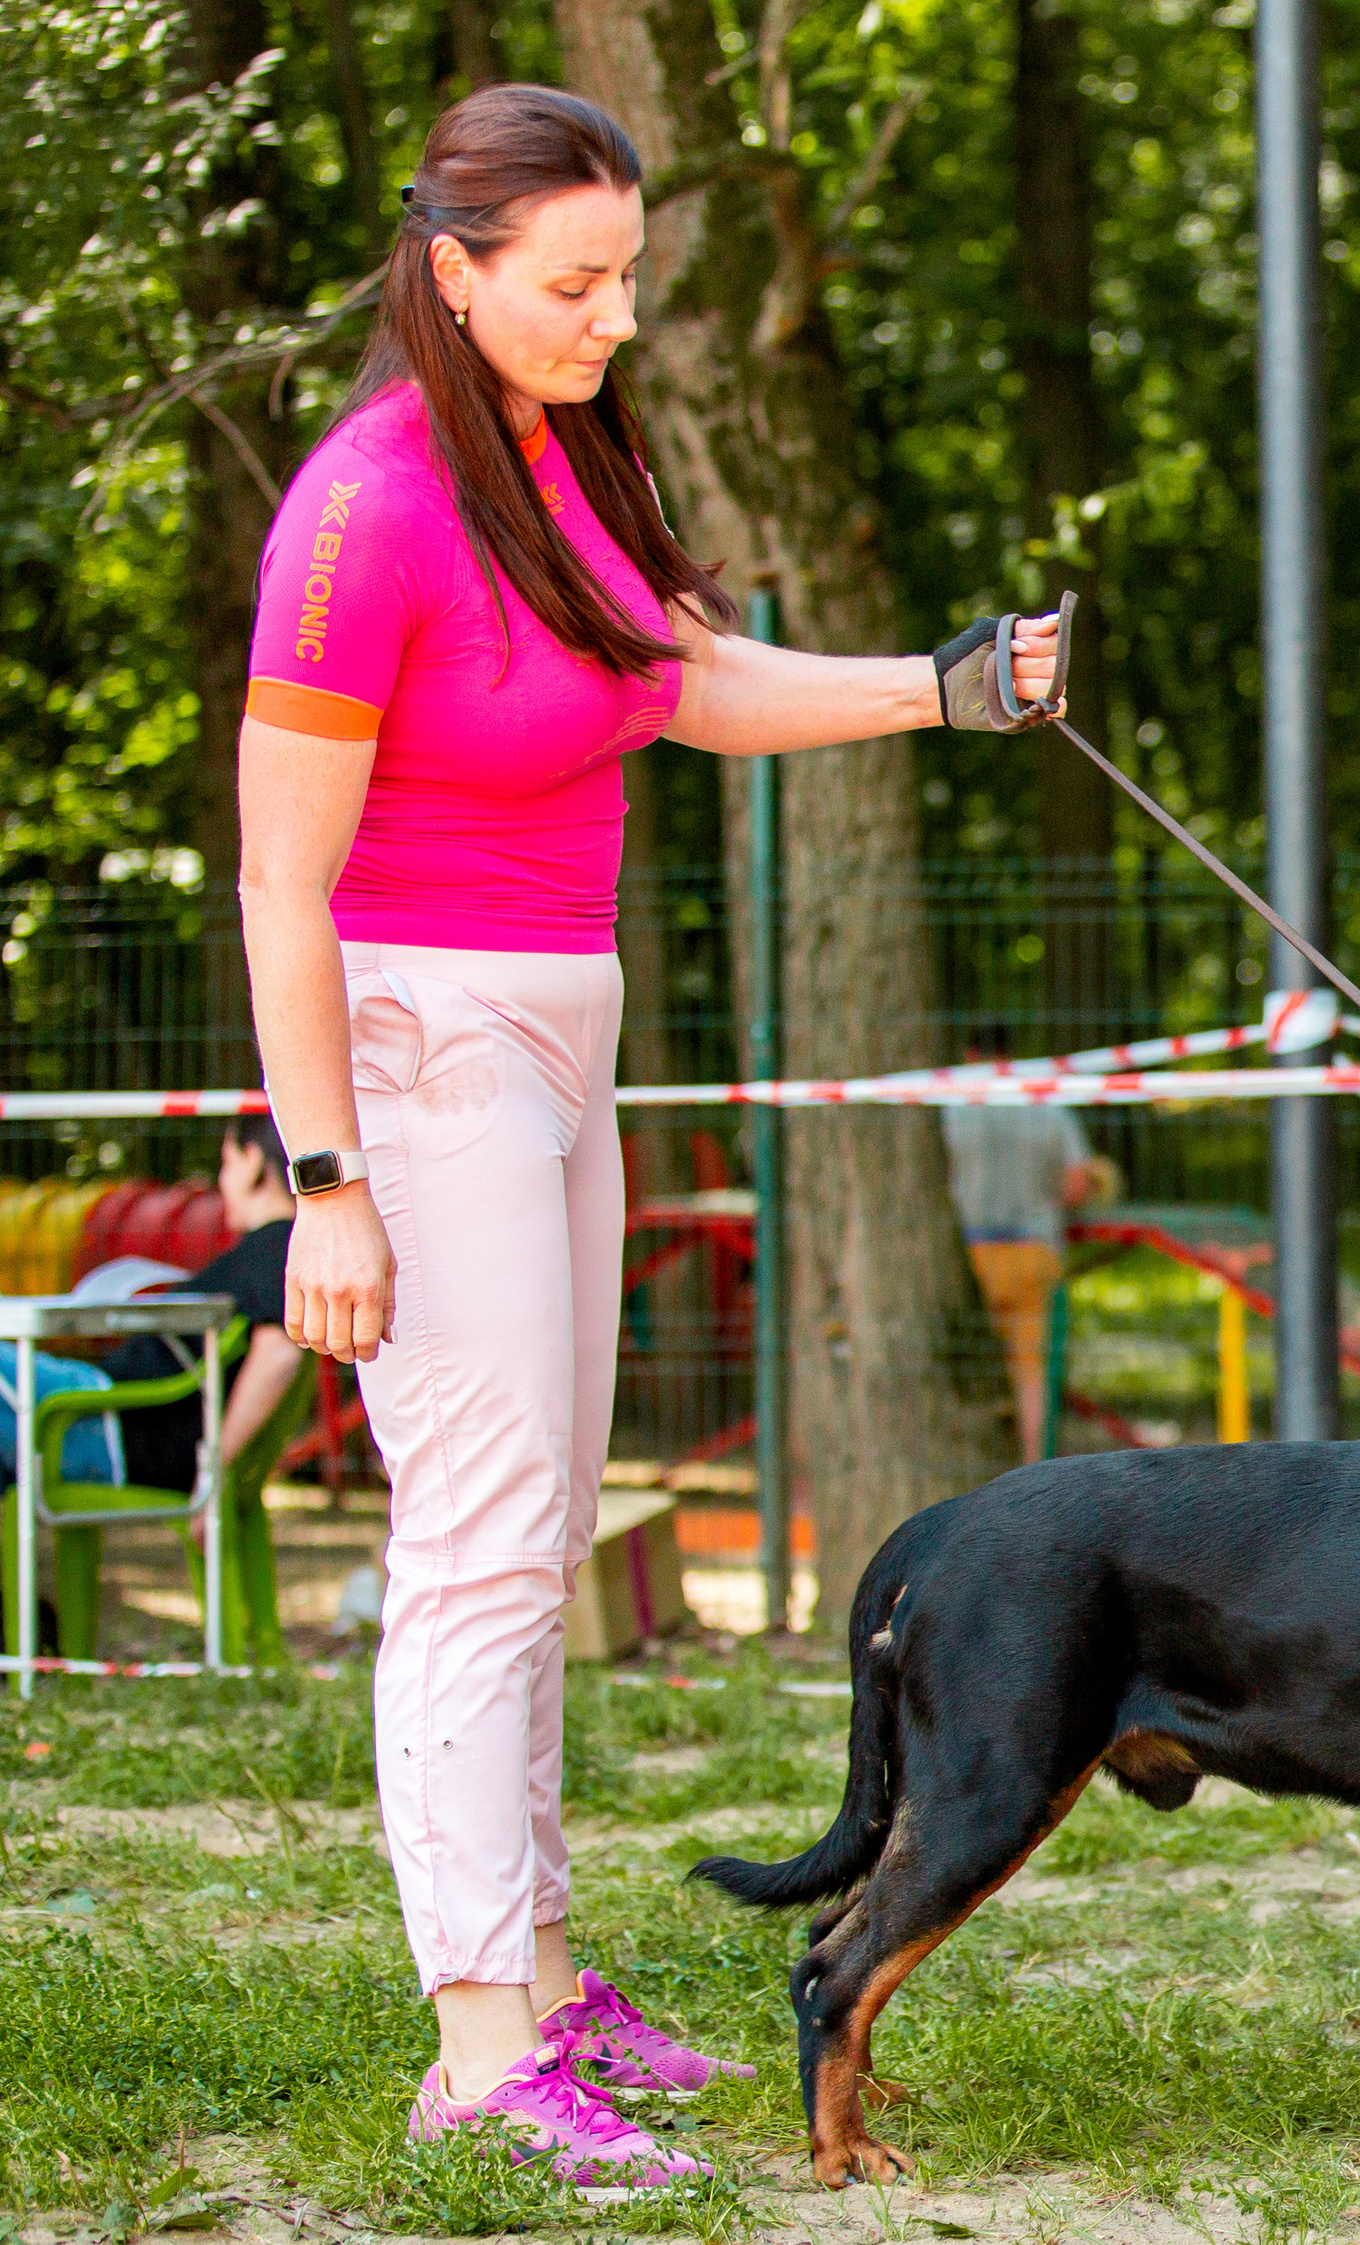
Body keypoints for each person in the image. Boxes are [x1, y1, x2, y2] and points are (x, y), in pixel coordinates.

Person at [236, 87, 1061, 2192]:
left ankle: (536, 1974)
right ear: (455, 270)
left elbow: (678, 678)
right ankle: (479, 2051)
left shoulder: (551, 454)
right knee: (480, 1559)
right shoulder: (362, 507)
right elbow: (276, 882)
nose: (616, 319)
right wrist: (323, 1178)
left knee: (530, 1539)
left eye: (630, 279)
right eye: (576, 284)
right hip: (421, 1041)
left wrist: (936, 692)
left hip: (556, 1026)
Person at [0, 1117, 306, 1497]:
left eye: (227, 1163)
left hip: (105, 1418)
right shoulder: (269, 1250)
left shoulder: (275, 1246)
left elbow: (279, 1353)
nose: (221, 1181)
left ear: (254, 1163)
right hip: (104, 1411)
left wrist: (215, 1474)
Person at [941, 1027, 1113, 1465]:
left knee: (963, 1368)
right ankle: (1031, 1469)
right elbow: (1076, 1183)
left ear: (968, 1052)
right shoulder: (1043, 1101)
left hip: (967, 1255)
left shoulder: (946, 1104)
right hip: (1033, 1251)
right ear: (1011, 1053)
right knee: (1031, 1376)